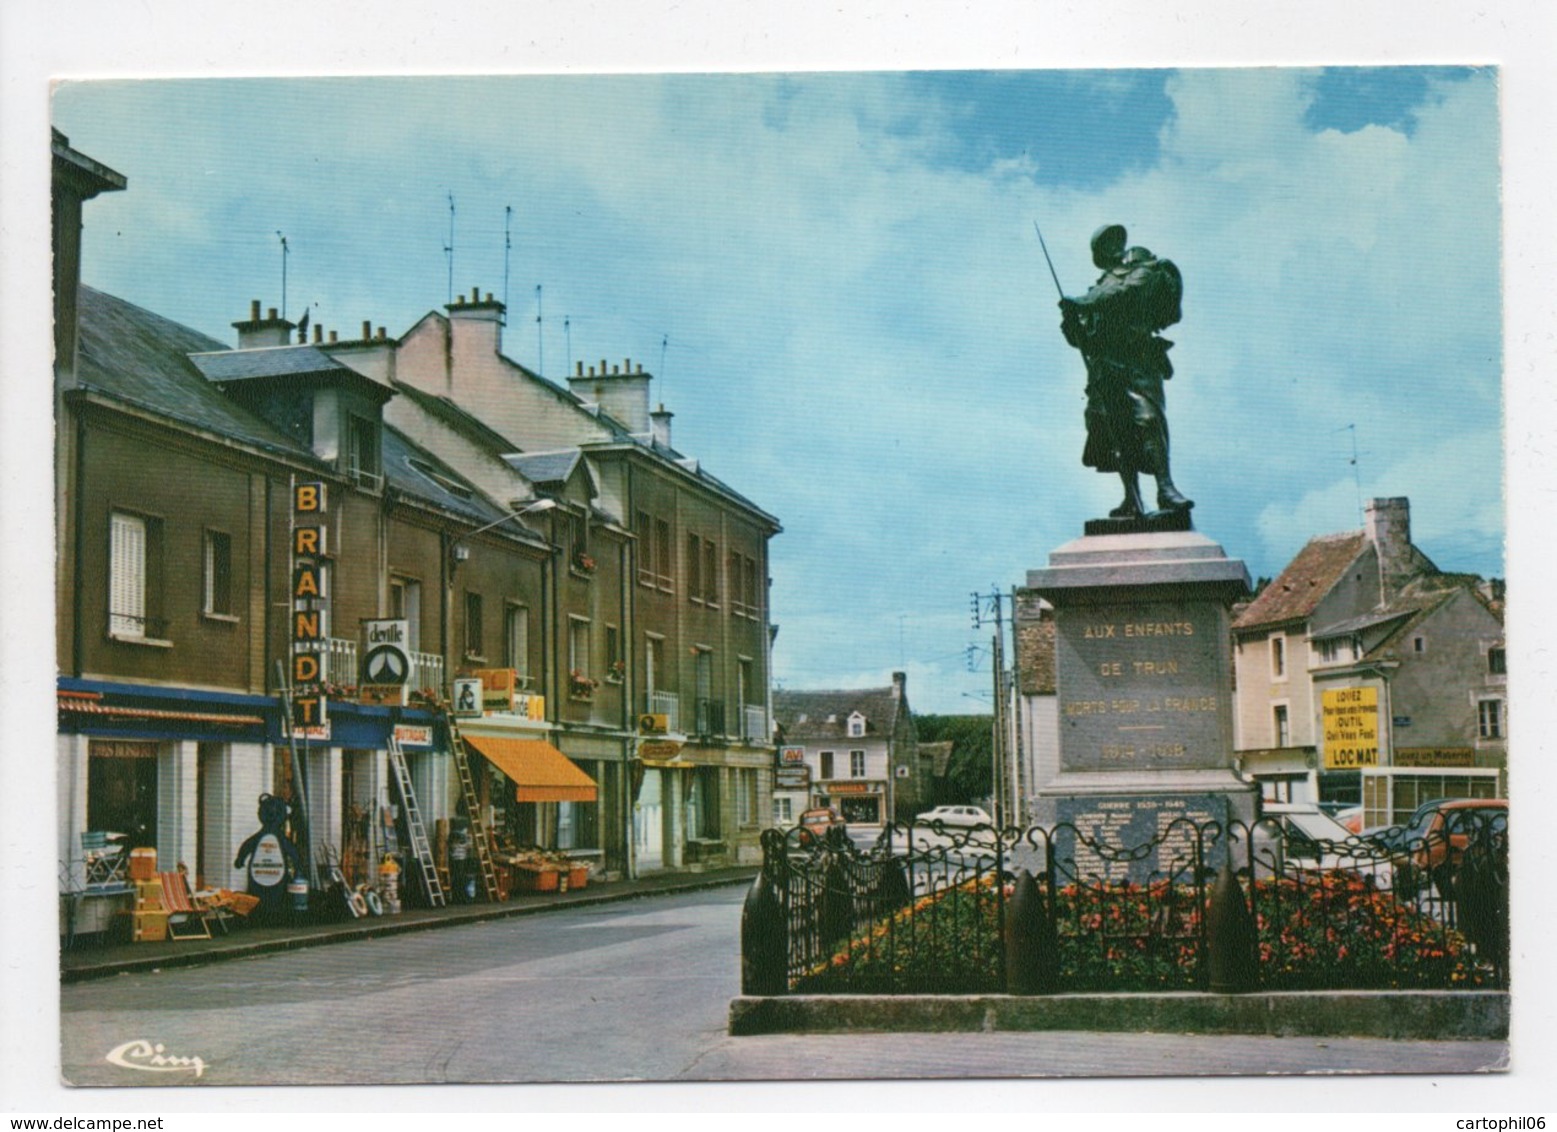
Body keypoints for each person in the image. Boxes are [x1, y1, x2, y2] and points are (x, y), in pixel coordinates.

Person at [1059, 224, 1193, 519]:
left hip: (1138, 359)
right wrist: (1071, 323)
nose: (1114, 246)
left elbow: (1131, 290)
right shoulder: (1097, 290)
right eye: (1106, 243)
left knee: (1148, 419)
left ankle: (1165, 488)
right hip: (1105, 368)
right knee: (1115, 433)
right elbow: (1086, 341)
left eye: (1116, 240)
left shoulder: (1140, 265)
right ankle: (1131, 499)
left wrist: (1081, 303)